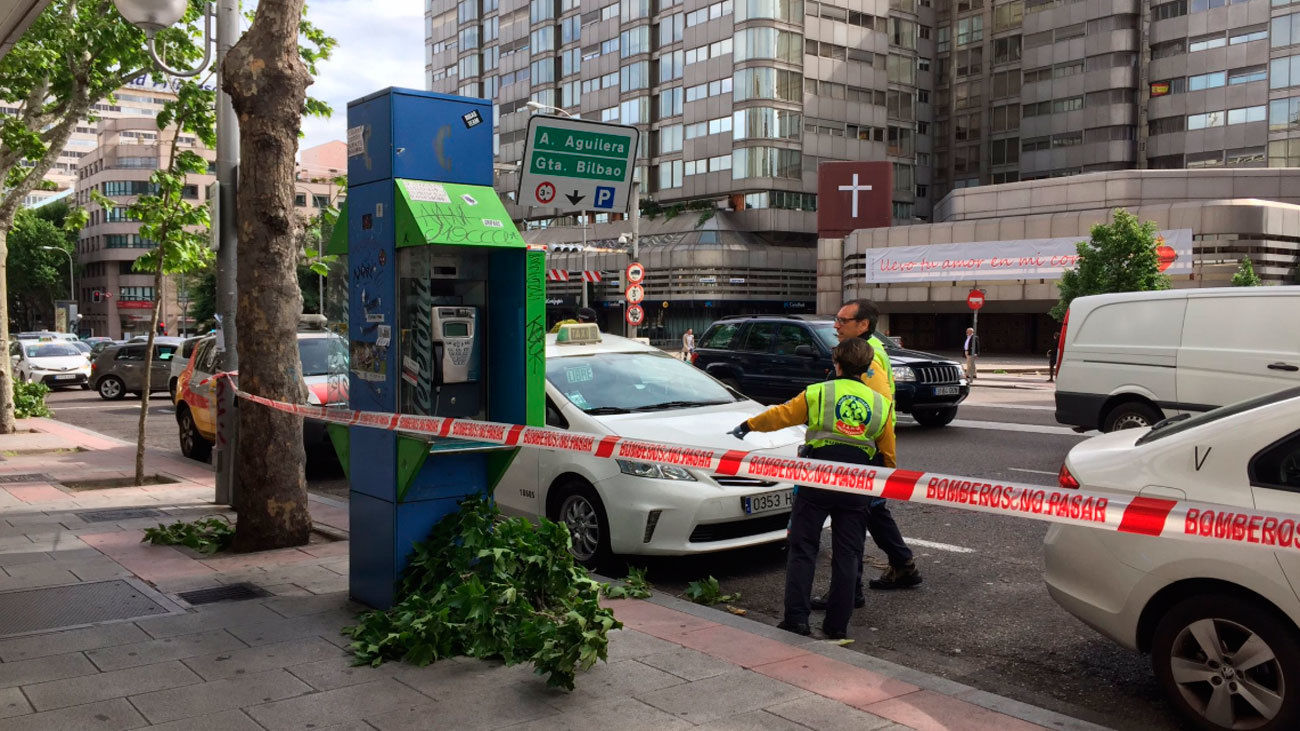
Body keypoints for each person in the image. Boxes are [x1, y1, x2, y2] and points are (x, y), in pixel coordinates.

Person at [730, 338, 893, 639]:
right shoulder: (881, 404)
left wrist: (748, 425)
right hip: (857, 480)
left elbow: (780, 415)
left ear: (837, 364)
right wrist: (876, 488)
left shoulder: (819, 392)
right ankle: (836, 627)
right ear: (867, 368)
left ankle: (796, 620)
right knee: (848, 554)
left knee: (803, 548)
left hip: (817, 475)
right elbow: (888, 454)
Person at [830, 298, 922, 596]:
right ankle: (902, 565)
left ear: (863, 324)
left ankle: (848, 592)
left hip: (863, 451)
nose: (836, 325)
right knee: (873, 509)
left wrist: (884, 459)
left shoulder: (867, 357)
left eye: (843, 320)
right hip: (868, 450)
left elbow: (877, 407)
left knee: (852, 518)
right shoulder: (867, 350)